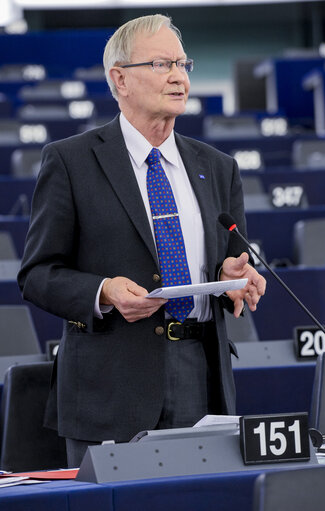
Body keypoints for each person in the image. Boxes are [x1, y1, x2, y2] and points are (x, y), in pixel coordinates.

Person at [18, 14, 266, 467]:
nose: (178, 76)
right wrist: (103, 291)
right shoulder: (71, 161)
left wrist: (231, 277)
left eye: (183, 64)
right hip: (110, 390)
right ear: (120, 79)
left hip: (203, 379)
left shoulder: (218, 166)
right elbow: (37, 274)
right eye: (161, 64)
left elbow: (231, 265)